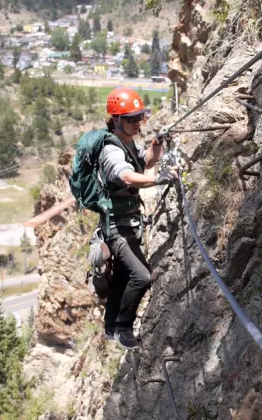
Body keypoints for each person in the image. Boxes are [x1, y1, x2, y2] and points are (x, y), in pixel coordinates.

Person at [98, 87, 177, 349]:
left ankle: (110, 327)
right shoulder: (111, 149)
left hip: (127, 223)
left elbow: (146, 162)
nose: (136, 123)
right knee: (142, 277)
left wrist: (157, 144)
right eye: (131, 119)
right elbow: (126, 176)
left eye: (139, 118)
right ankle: (123, 328)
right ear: (116, 119)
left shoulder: (128, 142)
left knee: (122, 278)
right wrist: (157, 180)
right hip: (117, 228)